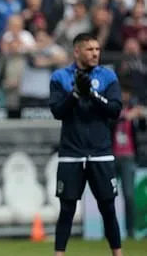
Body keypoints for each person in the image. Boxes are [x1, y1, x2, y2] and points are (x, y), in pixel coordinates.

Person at [49, 33, 123, 256]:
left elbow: (115, 110)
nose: (95, 54)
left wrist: (92, 94)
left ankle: (117, 253)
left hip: (101, 152)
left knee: (108, 207)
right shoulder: (60, 77)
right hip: (71, 153)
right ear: (77, 51)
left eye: (97, 49)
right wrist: (75, 94)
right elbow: (57, 111)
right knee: (67, 208)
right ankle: (59, 254)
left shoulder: (108, 76)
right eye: (90, 49)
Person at [112, 86, 146, 239]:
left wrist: (141, 114)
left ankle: (130, 231)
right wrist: (126, 115)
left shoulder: (135, 113)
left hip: (129, 157)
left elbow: (143, 127)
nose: (124, 97)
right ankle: (109, 229)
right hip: (112, 157)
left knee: (129, 196)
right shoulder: (111, 109)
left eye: (126, 94)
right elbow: (111, 121)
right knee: (107, 196)